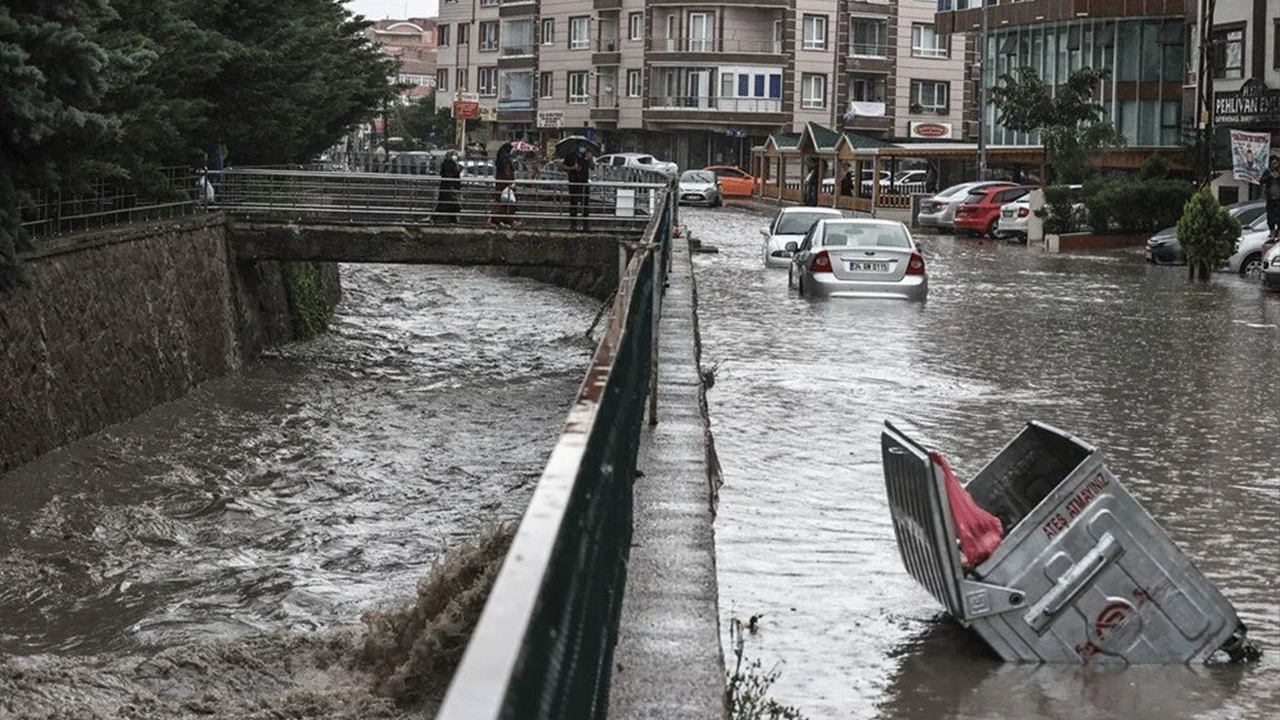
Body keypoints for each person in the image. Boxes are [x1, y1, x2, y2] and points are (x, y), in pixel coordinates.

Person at [487, 142, 519, 228]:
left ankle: (494, 220)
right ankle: (510, 221)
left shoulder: (500, 160)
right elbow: (507, 174)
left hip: (500, 186)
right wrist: (511, 183)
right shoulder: (506, 161)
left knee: (499, 203)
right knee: (508, 204)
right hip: (505, 187)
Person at [564, 145, 595, 231]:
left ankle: (586, 224)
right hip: (573, 182)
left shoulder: (587, 156)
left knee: (585, 204)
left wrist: (590, 159)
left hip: (584, 183)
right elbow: (564, 166)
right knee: (573, 204)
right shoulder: (571, 156)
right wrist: (573, 168)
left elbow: (593, 167)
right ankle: (573, 224)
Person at [435, 150, 461, 224]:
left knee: (446, 205)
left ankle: (450, 219)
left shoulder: (449, 164)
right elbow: (450, 175)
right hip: (448, 188)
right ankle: (451, 220)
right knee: (448, 204)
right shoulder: (448, 164)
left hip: (448, 187)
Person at [1264, 155, 1280, 243]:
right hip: (1270, 199)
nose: (1274, 165)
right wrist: (1269, 176)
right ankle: (1272, 234)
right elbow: (1261, 181)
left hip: (1279, 199)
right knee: (1270, 217)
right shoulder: (1267, 172)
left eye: (1275, 163)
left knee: (1279, 216)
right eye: (1272, 163)